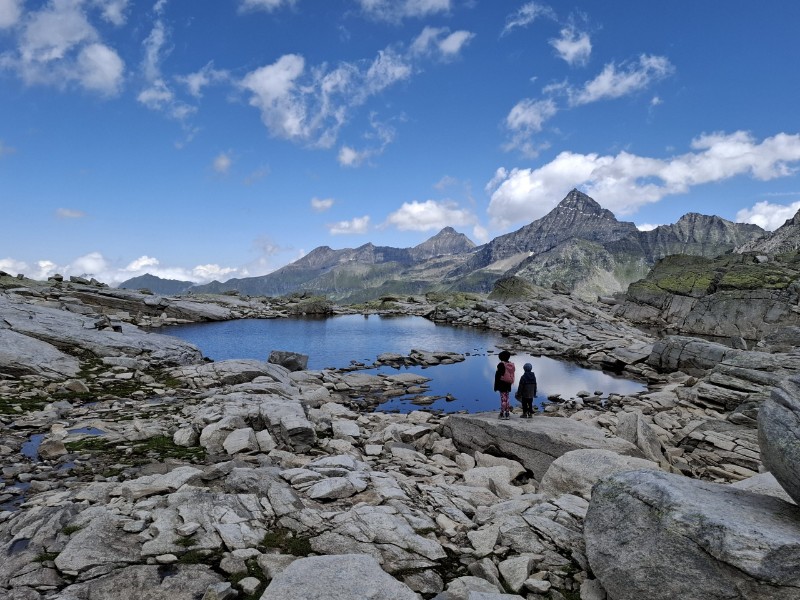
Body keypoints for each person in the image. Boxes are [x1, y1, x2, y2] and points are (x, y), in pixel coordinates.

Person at [494, 350, 515, 419]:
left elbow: (497, 376)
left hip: (502, 384)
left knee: (503, 399)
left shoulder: (501, 365)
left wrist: (496, 386)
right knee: (507, 398)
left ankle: (502, 413)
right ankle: (507, 413)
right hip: (508, 384)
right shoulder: (510, 364)